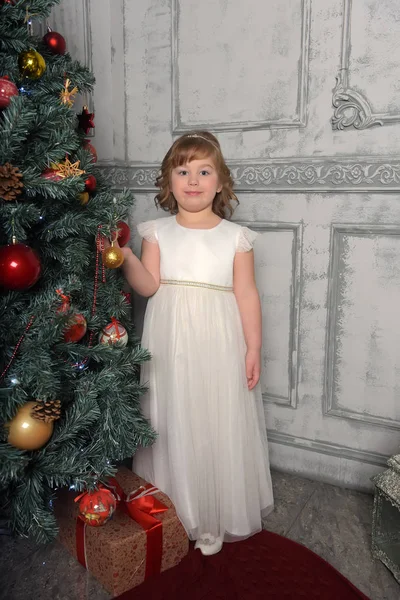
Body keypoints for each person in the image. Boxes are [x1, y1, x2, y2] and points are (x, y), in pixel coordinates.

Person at [119, 131, 273, 556]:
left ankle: (211, 515)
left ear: (221, 182)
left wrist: (253, 347)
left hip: (219, 341)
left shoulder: (236, 237)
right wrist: (127, 256)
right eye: (182, 171)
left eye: (204, 171)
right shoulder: (156, 233)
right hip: (169, 339)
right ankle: (175, 508)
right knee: (173, 415)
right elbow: (148, 287)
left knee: (212, 415)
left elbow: (247, 295)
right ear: (169, 181)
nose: (192, 180)